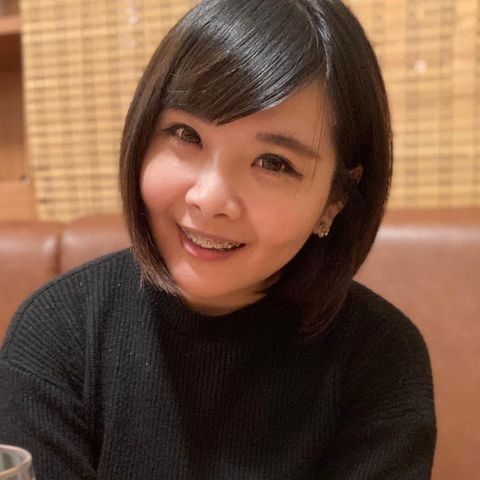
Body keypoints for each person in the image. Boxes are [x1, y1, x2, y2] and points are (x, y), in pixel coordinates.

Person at [0, 0, 436, 478]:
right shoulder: (60, 334)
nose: (209, 200)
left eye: (274, 163)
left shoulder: (379, 360)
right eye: (185, 134)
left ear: (335, 198)